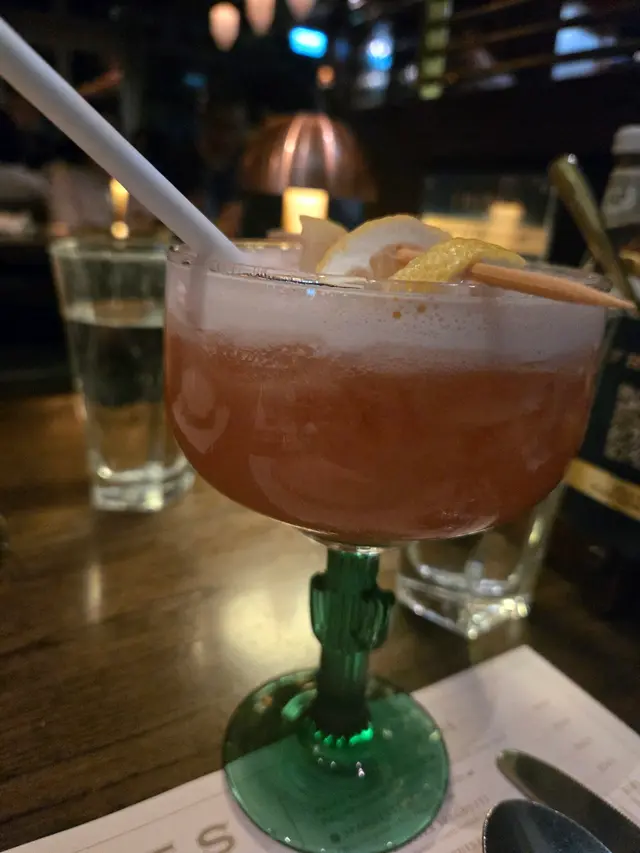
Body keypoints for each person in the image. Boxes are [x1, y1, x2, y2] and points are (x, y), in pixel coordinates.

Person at [190, 100, 248, 239]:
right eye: (218, 126)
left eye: (232, 128)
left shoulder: (251, 174)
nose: (224, 137)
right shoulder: (180, 165)